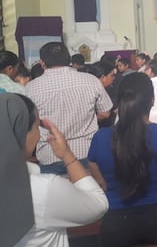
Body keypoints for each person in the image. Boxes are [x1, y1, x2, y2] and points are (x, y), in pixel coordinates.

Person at [0, 93, 108, 247]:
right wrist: (67, 155)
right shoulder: (41, 191)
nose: (39, 135)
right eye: (36, 126)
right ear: (21, 134)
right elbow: (97, 204)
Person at [88, 73, 157, 247]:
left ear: (119, 101)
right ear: (152, 100)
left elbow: (101, 183)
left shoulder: (100, 138)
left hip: (117, 223)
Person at [26, 41, 113, 173]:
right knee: (89, 192)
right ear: (68, 59)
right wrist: (84, 118)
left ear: (42, 63)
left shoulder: (30, 88)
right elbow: (105, 113)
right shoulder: (90, 80)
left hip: (50, 154)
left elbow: (29, 124)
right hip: (86, 152)